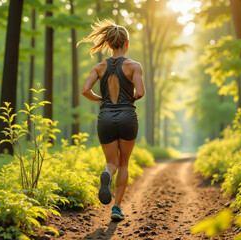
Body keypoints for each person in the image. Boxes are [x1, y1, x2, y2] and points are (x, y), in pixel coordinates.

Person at [78, 19, 145, 221]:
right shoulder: (134, 66)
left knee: (112, 162)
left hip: (105, 116)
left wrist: (102, 99)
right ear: (126, 43)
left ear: (108, 45)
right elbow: (140, 92)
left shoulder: (99, 67)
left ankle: (107, 173)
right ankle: (116, 209)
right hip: (127, 116)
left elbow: (84, 91)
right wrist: (127, 100)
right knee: (124, 164)